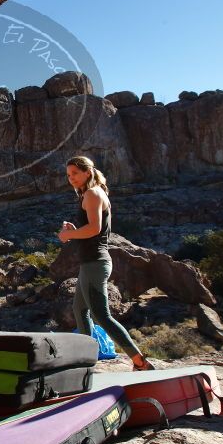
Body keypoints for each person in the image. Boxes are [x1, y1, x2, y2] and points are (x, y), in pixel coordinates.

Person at [57, 156, 154, 371]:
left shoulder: (92, 193)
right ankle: (85, 359)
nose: (70, 178)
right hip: (90, 262)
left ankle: (140, 361)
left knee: (102, 315)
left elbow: (94, 229)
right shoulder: (91, 193)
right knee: (79, 308)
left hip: (95, 263)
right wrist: (74, 230)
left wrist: (67, 236)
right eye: (68, 175)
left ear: (87, 173)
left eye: (74, 173)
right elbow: (91, 228)